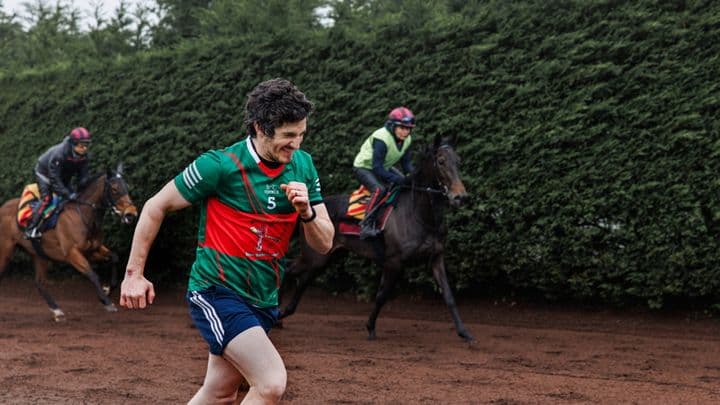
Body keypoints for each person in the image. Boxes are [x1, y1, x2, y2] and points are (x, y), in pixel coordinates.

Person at [119, 78, 334, 404]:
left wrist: (307, 213)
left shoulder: (303, 166)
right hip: (217, 291)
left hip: (263, 298)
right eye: (288, 135)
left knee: (219, 393)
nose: (296, 144)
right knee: (271, 383)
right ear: (260, 128)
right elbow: (155, 206)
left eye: (302, 134)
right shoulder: (219, 166)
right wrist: (134, 274)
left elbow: (324, 243)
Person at [352, 106, 415, 239]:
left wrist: (413, 177)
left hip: (383, 166)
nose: (405, 132)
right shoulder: (382, 138)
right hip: (364, 167)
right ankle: (366, 225)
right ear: (392, 126)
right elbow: (377, 168)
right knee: (379, 190)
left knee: (406, 183)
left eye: (408, 128)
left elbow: (406, 165)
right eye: (402, 128)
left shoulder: (407, 140)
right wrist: (397, 179)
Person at [24, 127, 92, 239]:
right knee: (47, 199)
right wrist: (67, 193)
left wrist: (83, 185)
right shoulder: (59, 154)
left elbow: (83, 175)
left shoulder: (84, 156)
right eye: (81, 145)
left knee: (74, 197)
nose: (84, 148)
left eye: (86, 145)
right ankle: (30, 228)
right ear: (73, 144)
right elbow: (54, 179)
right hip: (45, 173)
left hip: (62, 175)